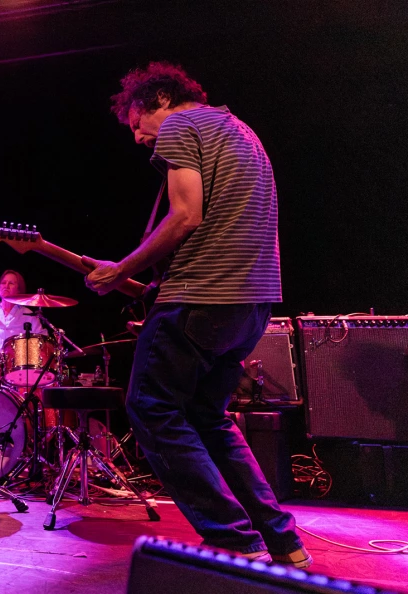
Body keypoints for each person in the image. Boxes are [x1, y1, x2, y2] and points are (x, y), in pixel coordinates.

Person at [82, 62, 311, 567]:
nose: (139, 137)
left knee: (150, 406)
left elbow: (187, 214)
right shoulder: (241, 131)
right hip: (251, 304)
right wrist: (141, 278)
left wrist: (121, 268)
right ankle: (282, 540)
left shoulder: (183, 125)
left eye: (137, 122)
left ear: (160, 97)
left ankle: (235, 540)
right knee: (208, 416)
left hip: (203, 297)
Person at [0, 269, 44, 350]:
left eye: (11, 283)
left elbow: (42, 341)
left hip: (16, 362)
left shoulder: (28, 315)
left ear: (18, 290)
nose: (6, 286)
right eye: (3, 283)